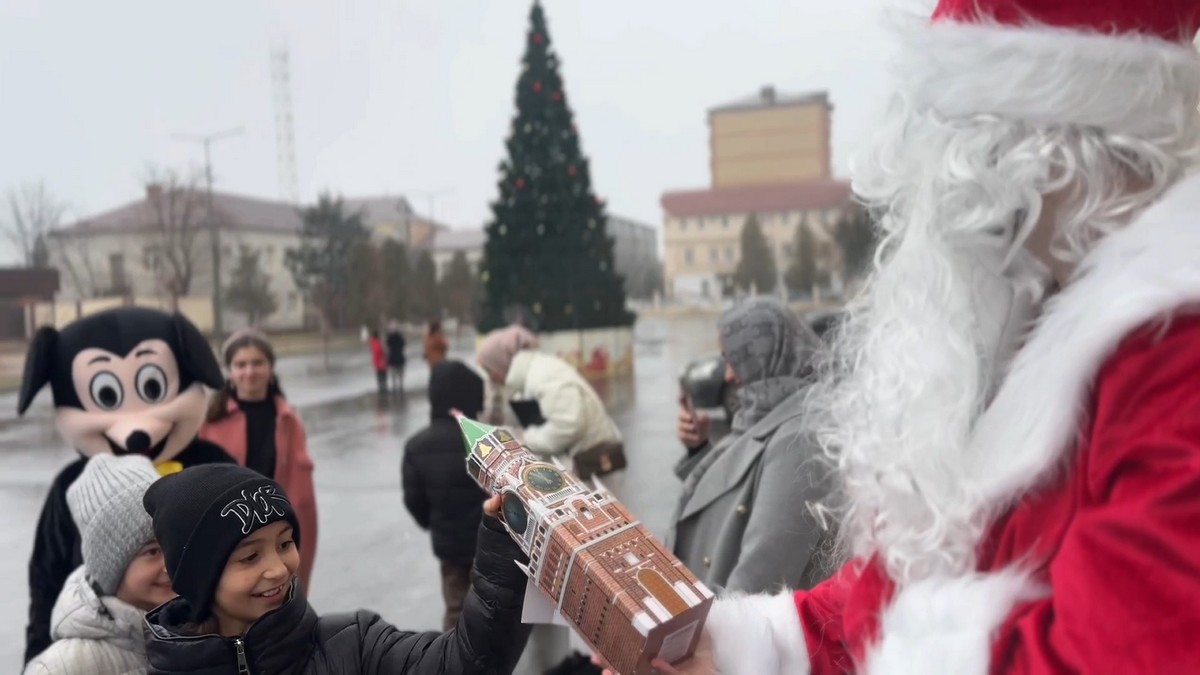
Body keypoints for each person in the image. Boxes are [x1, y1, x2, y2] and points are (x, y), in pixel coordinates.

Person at [635, 1, 1200, 673]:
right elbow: (886, 597)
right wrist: (740, 645)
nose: (936, 201)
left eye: (951, 142)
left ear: (1027, 148)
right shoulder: (1028, 326)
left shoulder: (1174, 360)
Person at [141, 464, 532, 674]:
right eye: (250, 557)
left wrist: (507, 544)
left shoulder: (353, 645)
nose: (279, 569)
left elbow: (466, 662)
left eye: (284, 543)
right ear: (197, 576)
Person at [15, 307, 234, 665]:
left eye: (152, 388)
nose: (136, 429)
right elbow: (46, 580)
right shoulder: (71, 488)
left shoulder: (214, 467)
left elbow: (254, 549)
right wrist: (37, 653)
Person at [669, 297, 832, 594]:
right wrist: (700, 450)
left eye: (733, 359)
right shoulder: (767, 414)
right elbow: (741, 495)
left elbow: (758, 584)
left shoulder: (801, 440)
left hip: (732, 631)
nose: (728, 375)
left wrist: (702, 638)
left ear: (764, 353)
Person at [24, 454, 173, 675]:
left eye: (173, 543)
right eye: (152, 552)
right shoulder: (62, 668)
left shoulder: (207, 632)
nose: (170, 565)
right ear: (110, 568)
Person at [200, 327, 319, 591]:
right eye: (240, 364)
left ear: (270, 368)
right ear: (229, 371)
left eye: (257, 363)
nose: (249, 372)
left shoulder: (289, 421)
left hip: (275, 539)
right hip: (225, 540)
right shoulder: (208, 422)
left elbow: (302, 498)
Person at [401, 360, 488, 630]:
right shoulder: (486, 441)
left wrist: (434, 523)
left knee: (455, 609)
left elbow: (414, 500)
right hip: (487, 547)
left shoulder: (416, 446)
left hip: (449, 547)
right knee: (488, 611)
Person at [476, 325, 620, 461]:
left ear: (501, 362)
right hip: (583, 463)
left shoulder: (544, 375)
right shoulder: (526, 379)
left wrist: (524, 438)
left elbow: (569, 425)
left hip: (593, 466)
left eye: (490, 370)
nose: (491, 378)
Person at [386, 319, 407, 394]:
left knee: (394, 375)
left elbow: (388, 346)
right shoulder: (399, 336)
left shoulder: (389, 337)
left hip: (393, 359)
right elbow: (403, 344)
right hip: (399, 358)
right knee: (399, 375)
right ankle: (400, 387)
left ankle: (395, 387)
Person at [368, 329, 387, 396]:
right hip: (381, 362)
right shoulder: (378, 343)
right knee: (383, 376)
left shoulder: (372, 342)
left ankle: (381, 388)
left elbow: (373, 352)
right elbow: (381, 352)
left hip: (376, 362)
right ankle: (383, 389)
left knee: (379, 376)